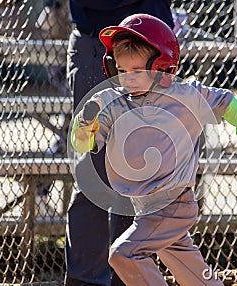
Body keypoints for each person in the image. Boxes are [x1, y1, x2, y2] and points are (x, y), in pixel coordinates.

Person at [70, 14, 237, 285]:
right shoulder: (113, 104)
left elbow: (227, 103)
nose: (128, 79)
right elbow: (84, 144)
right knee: (187, 265)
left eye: (136, 71)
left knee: (123, 254)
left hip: (174, 203)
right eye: (122, 71)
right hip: (146, 207)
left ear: (162, 66)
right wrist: (86, 124)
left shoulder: (184, 95)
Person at [64, 2, 175, 285]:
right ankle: (86, 280)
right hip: (101, 42)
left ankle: (129, 276)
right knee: (96, 171)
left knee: (140, 170)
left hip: (155, 49)